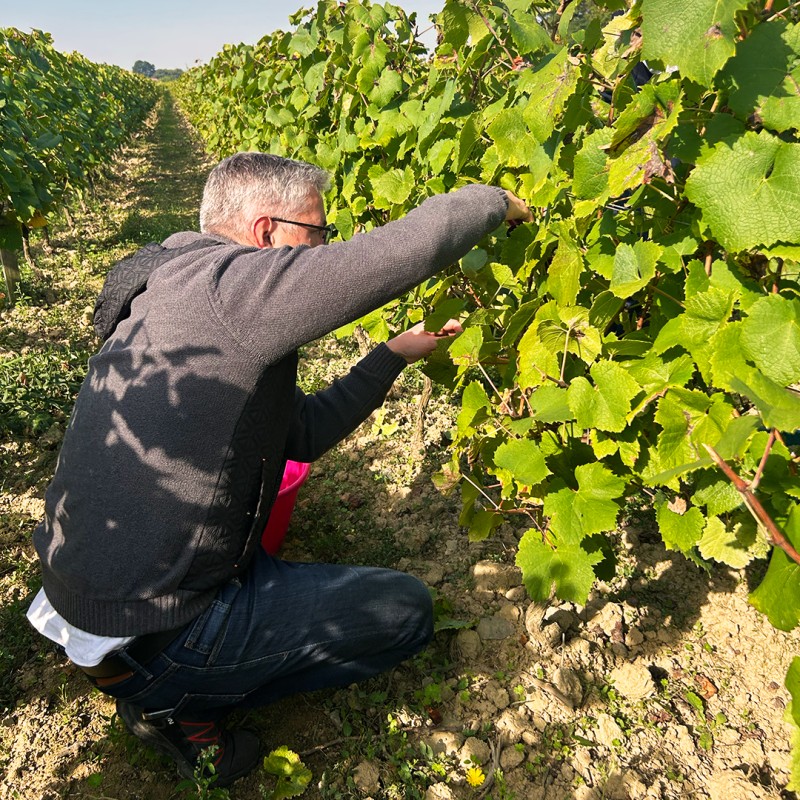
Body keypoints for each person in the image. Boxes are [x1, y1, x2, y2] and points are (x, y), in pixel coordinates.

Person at [26, 152, 532, 786]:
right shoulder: (231, 289)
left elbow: (302, 432)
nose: (323, 249)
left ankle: (160, 677)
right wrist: (498, 202)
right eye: (317, 234)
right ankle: (179, 705)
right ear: (266, 233)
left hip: (101, 602)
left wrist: (392, 355)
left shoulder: (172, 289)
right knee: (405, 611)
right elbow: (403, 250)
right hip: (152, 625)